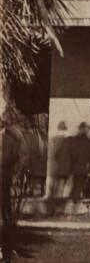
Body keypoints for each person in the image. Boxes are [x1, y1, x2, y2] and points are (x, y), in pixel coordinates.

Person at [1, 108, 28, 257]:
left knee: (5, 213)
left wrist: (16, 173)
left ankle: (6, 246)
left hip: (4, 179)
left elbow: (19, 157)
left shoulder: (12, 139)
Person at [68, 122, 90, 205]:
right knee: (80, 184)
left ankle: (73, 200)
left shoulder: (75, 139)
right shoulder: (88, 141)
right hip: (83, 165)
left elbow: (72, 153)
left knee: (76, 183)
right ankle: (75, 203)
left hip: (75, 165)